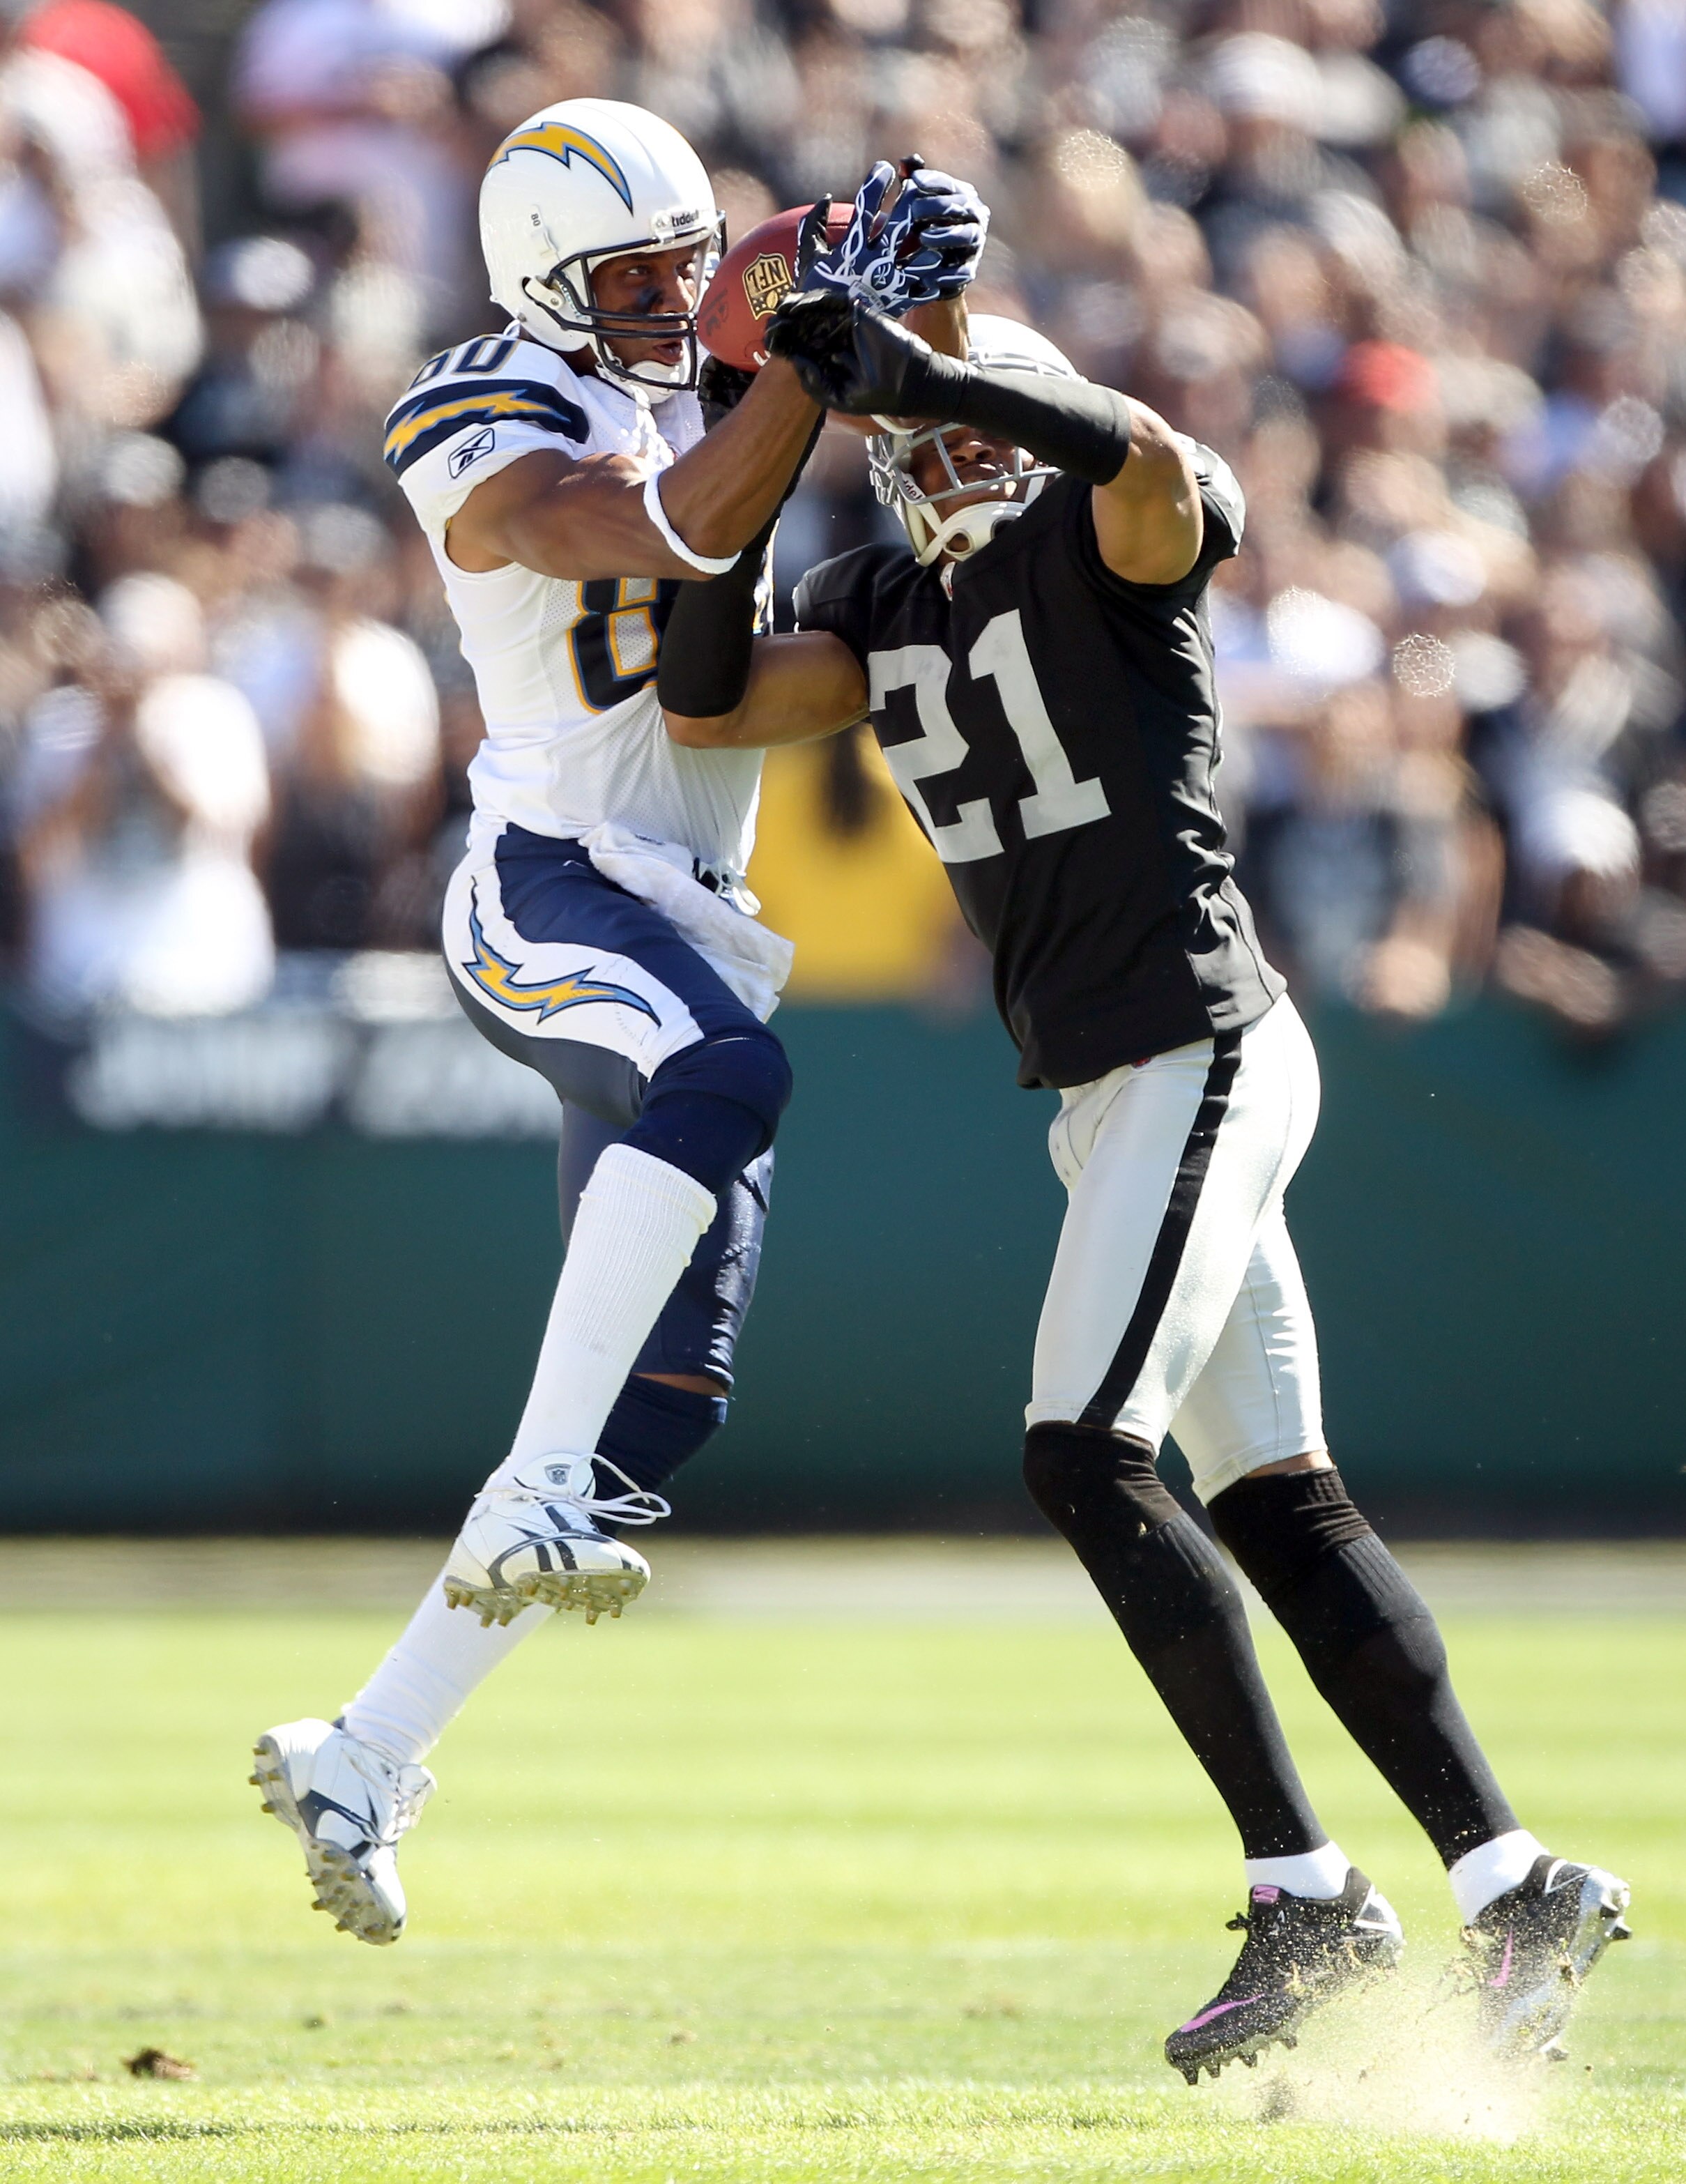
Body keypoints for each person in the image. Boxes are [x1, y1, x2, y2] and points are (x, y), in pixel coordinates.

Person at [654, 290, 1633, 2077]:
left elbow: (1161, 471)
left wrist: (954, 375)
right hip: (1111, 1086)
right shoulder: (880, 602)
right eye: (914, 428)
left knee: (1078, 1452)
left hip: (1202, 1043)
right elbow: (707, 696)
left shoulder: (1098, 533)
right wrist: (758, 419)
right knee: (1277, 1498)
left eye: (972, 418)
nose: (942, 451)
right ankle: (1517, 1885)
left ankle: (1308, 1896)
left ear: (1026, 409)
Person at [248, 104, 986, 1946]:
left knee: (658, 1414)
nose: (672, 300)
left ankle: (366, 1742)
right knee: (727, 1081)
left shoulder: (682, 397)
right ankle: (527, 1490)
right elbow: (644, 524)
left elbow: (724, 701)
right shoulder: (485, 404)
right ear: (537, 285)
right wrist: (808, 371)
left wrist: (950, 595)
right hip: (544, 880)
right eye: (632, 278)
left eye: (684, 262)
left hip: (686, 906)